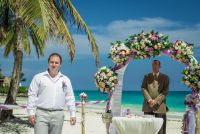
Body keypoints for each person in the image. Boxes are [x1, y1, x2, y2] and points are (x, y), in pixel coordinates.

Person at [27, 53, 76, 134]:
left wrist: (73, 114)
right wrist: (31, 113)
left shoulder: (66, 80)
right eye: (52, 62)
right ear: (48, 63)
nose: (54, 64)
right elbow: (32, 95)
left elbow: (70, 97)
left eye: (56, 63)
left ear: (60, 65)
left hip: (58, 115)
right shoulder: (38, 77)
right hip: (41, 114)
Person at [141, 60, 169, 134]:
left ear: (159, 66)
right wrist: (149, 100)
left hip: (160, 107)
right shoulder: (146, 76)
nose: (154, 66)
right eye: (153, 65)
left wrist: (156, 101)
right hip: (148, 106)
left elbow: (165, 91)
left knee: (160, 130)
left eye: (156, 65)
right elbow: (143, 88)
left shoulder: (165, 77)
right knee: (148, 128)